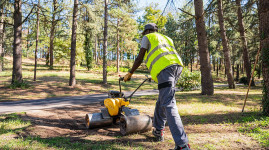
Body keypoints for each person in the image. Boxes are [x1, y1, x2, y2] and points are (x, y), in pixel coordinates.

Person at [123, 23, 190, 150]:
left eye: (144, 32)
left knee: (169, 104)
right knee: (162, 100)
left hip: (165, 70)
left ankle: (182, 144)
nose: (144, 35)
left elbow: (139, 58)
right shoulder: (166, 38)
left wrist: (130, 73)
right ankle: (158, 130)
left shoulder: (148, 37)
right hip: (177, 67)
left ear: (147, 31)